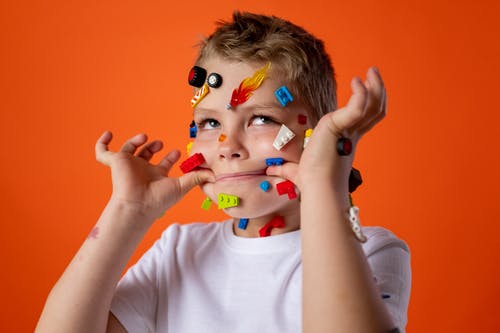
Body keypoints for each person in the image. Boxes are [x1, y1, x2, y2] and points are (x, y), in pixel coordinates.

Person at [36, 11, 411, 333]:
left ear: (315, 137)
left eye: (262, 119)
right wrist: (127, 211)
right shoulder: (178, 251)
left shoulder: (371, 250)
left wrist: (322, 187)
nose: (227, 145)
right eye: (210, 123)